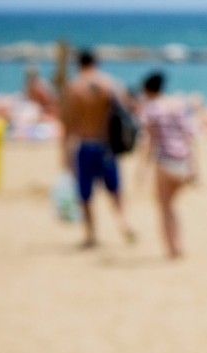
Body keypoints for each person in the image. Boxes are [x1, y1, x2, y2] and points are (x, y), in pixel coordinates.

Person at [61, 49, 135, 248]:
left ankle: (91, 234)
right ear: (96, 63)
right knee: (115, 190)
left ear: (79, 64)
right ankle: (124, 223)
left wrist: (64, 155)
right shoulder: (109, 84)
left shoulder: (74, 87)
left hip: (86, 145)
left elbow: (67, 124)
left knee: (85, 194)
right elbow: (127, 108)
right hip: (107, 146)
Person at [138, 71, 197, 259]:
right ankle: (178, 245)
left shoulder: (151, 108)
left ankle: (172, 249)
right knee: (172, 206)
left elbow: (150, 140)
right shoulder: (177, 104)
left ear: (148, 89)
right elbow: (189, 136)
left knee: (164, 207)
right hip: (183, 161)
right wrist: (194, 166)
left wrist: (142, 169)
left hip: (165, 161)